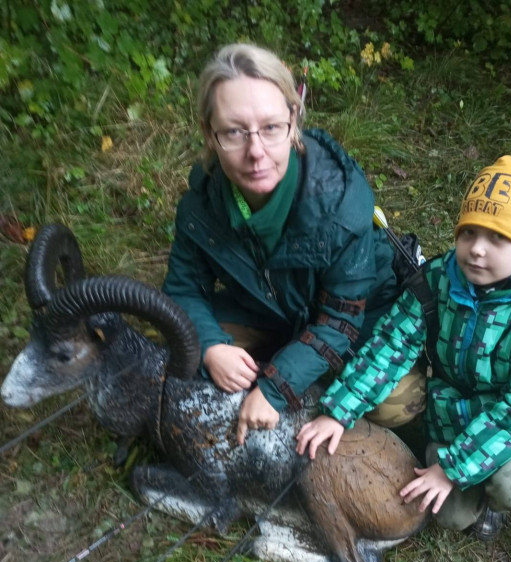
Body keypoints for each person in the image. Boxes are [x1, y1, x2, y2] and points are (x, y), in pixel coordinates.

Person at [296, 156, 511, 541]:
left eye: (497, 238)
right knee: (451, 516)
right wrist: (338, 412)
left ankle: (503, 495)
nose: (476, 249)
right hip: (448, 411)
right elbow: (389, 345)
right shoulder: (439, 279)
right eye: (469, 232)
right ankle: (460, 478)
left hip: (507, 423)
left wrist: (451, 469)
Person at [163, 43, 423, 445]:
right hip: (274, 312)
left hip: (358, 322)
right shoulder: (201, 205)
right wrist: (212, 347)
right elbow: (183, 288)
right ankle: (293, 375)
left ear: (293, 120)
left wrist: (275, 388)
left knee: (395, 401)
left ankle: (296, 383)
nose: (256, 152)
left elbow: (340, 321)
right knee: (186, 346)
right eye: (234, 131)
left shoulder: (340, 201)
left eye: (270, 127)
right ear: (209, 135)